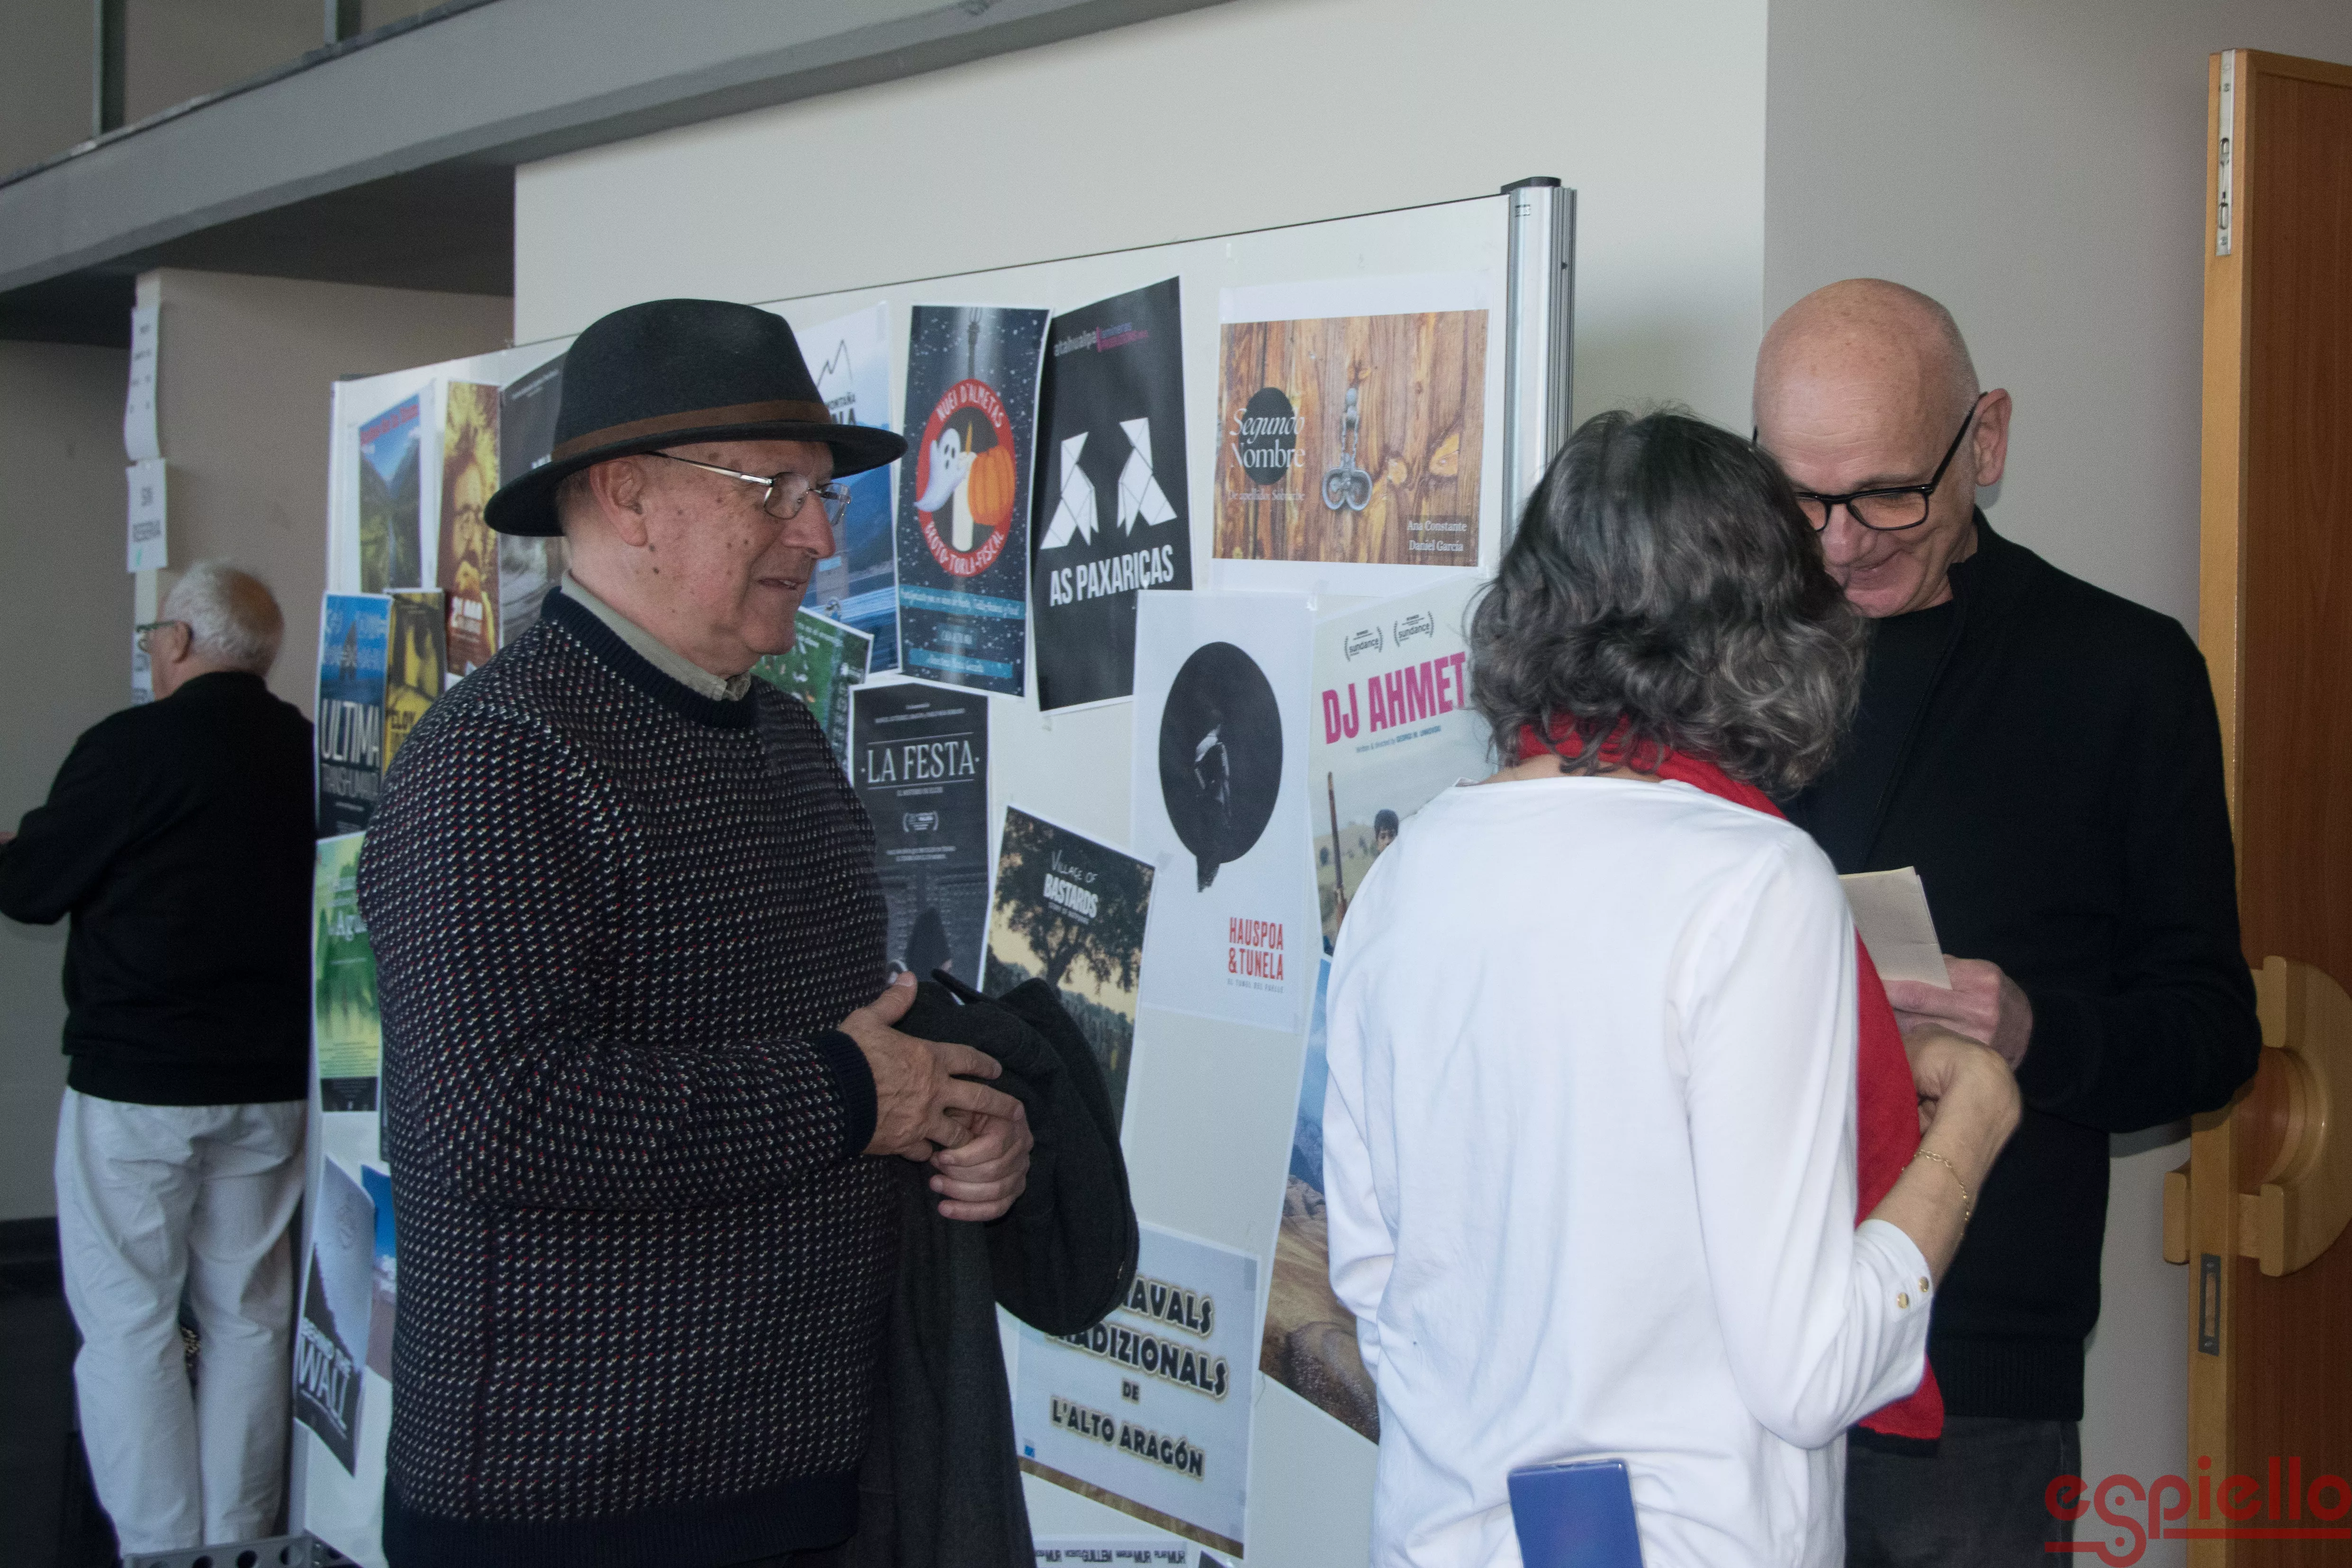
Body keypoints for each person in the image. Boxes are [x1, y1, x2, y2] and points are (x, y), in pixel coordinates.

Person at [357, 299, 1034, 1568]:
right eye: (775, 490)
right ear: (628, 497)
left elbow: (831, 1044)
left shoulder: (782, 734)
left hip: (806, 1483)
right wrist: (852, 1095)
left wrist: (951, 1122)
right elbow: (490, 1111)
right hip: (571, 1517)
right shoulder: (496, 758)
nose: (819, 535)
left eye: (822, 494)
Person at [1321, 409, 2023, 1568]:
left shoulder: (1403, 872)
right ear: (1774, 628)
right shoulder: (1755, 883)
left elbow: (1376, 1283)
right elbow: (1811, 1369)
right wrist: (1973, 1128)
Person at [1753, 281, 2262, 1566]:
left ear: (1983, 440)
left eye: (1885, 494)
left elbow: (2211, 1036)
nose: (1837, 545)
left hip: (1969, 1381)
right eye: (1797, 498)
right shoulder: (1720, 662)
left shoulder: (2121, 673)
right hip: (1717, 1336)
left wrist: (2035, 1029)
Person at [0, 562, 313, 1555]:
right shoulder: (310, 751)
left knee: (131, 1319)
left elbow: (32, 886)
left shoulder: (130, 746)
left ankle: (158, 1544)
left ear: (177, 641)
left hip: (138, 1082)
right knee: (251, 1315)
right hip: (270, 1081)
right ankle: (236, 1539)